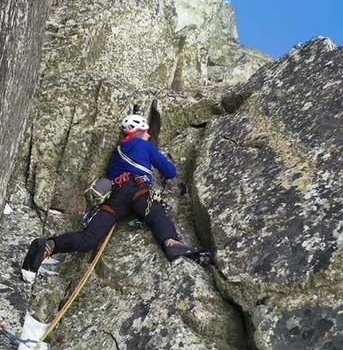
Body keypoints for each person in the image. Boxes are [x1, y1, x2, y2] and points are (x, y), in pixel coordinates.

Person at [21, 114, 211, 283]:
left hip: (113, 200)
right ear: (139, 132)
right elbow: (170, 172)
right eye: (146, 133)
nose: (149, 136)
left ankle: (48, 245)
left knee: (90, 238)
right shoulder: (145, 145)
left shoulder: (116, 152)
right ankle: (171, 244)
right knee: (155, 214)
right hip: (138, 190)